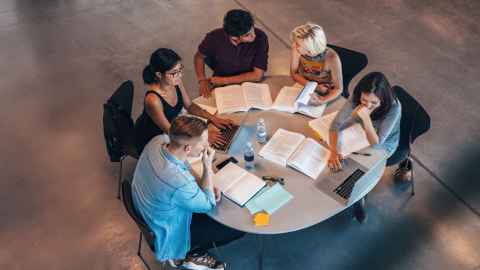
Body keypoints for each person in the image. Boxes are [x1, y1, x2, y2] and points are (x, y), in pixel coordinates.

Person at [132, 116, 245, 269]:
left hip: (145, 206)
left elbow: (184, 164)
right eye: (203, 143)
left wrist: (203, 184)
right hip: (166, 229)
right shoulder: (178, 181)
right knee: (235, 228)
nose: (207, 146)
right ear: (188, 149)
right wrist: (206, 167)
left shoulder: (158, 141)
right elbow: (208, 204)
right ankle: (188, 254)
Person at [327, 72, 401, 222]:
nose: (367, 105)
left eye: (374, 103)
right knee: (339, 159)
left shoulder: (394, 108)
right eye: (364, 100)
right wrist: (333, 151)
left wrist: (365, 118)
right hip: (362, 131)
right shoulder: (356, 97)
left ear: (383, 100)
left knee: (357, 168)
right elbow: (335, 125)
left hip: (384, 143)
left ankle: (358, 198)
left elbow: (377, 142)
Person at [135, 48, 232, 153]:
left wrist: (213, 118)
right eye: (174, 73)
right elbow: (171, 132)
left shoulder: (175, 81)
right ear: (159, 75)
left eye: (180, 69)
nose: (180, 75)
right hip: (156, 137)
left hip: (174, 126)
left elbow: (189, 106)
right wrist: (203, 137)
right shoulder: (153, 100)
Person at [194, 9, 269, 97]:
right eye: (247, 35)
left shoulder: (261, 37)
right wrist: (202, 80)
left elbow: (257, 75)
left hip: (249, 83)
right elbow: (199, 57)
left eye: (252, 28)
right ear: (234, 38)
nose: (254, 35)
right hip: (220, 84)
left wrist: (224, 81)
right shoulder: (214, 38)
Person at [290, 23, 343, 105]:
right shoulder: (296, 50)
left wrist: (323, 100)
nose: (294, 45)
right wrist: (315, 87)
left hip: (326, 91)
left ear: (310, 50)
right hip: (305, 86)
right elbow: (294, 73)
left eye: (298, 44)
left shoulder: (332, 58)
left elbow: (338, 88)